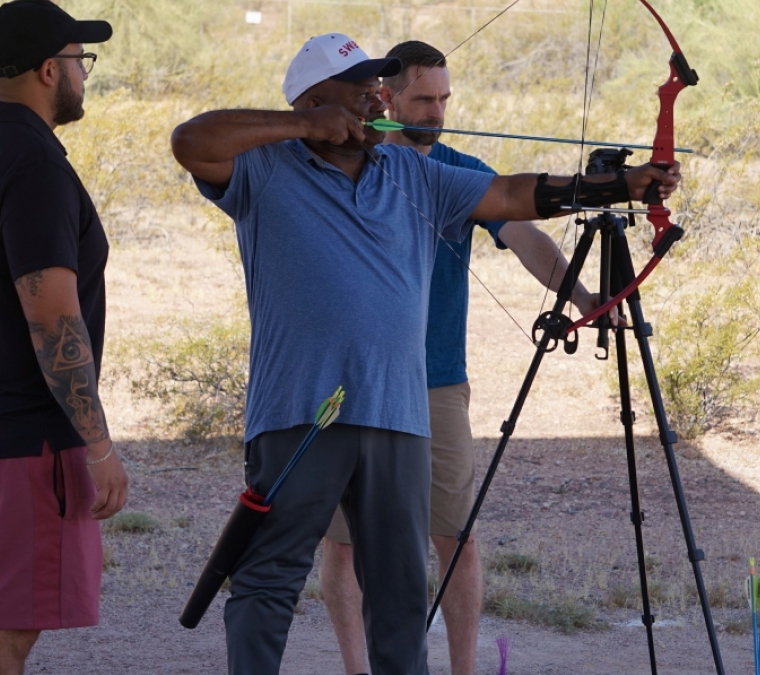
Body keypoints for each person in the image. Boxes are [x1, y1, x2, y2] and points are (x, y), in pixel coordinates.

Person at [170, 32, 677, 675]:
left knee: (403, 590)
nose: (376, 97)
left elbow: (510, 197)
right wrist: (300, 127)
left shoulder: (412, 173)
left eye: (379, 87)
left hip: (399, 413)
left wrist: (616, 186)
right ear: (316, 100)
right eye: (361, 89)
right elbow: (190, 141)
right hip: (301, 409)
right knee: (268, 579)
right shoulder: (264, 171)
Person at [318, 40, 602, 675]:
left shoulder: (455, 169)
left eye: (446, 98)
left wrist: (585, 297)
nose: (439, 110)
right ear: (384, 99)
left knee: (457, 535)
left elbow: (524, 231)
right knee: (341, 545)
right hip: (351, 381)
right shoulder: (341, 165)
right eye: (425, 99)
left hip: (435, 379)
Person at [0, 2, 127, 673]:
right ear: (49, 69)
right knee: (3, 639)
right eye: (79, 60)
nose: (83, 74)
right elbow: (52, 318)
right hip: (24, 445)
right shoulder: (32, 163)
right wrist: (97, 445)